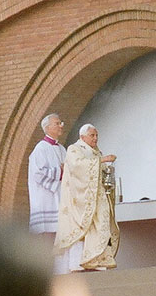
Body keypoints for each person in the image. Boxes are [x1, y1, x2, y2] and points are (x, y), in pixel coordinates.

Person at [54, 124, 119, 273]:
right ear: (82, 137)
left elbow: (100, 172)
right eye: (92, 135)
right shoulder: (74, 149)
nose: (95, 138)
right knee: (81, 229)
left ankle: (97, 260)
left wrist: (106, 170)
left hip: (97, 198)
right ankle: (77, 262)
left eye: (96, 135)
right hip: (80, 200)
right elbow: (77, 167)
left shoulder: (95, 152)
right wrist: (102, 161)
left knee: (100, 227)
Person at [28, 113, 68, 274]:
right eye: (57, 123)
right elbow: (38, 173)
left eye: (60, 123)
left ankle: (60, 269)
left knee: (60, 235)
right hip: (46, 199)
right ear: (48, 127)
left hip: (59, 196)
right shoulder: (40, 149)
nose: (61, 126)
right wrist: (60, 171)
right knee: (48, 235)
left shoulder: (62, 148)